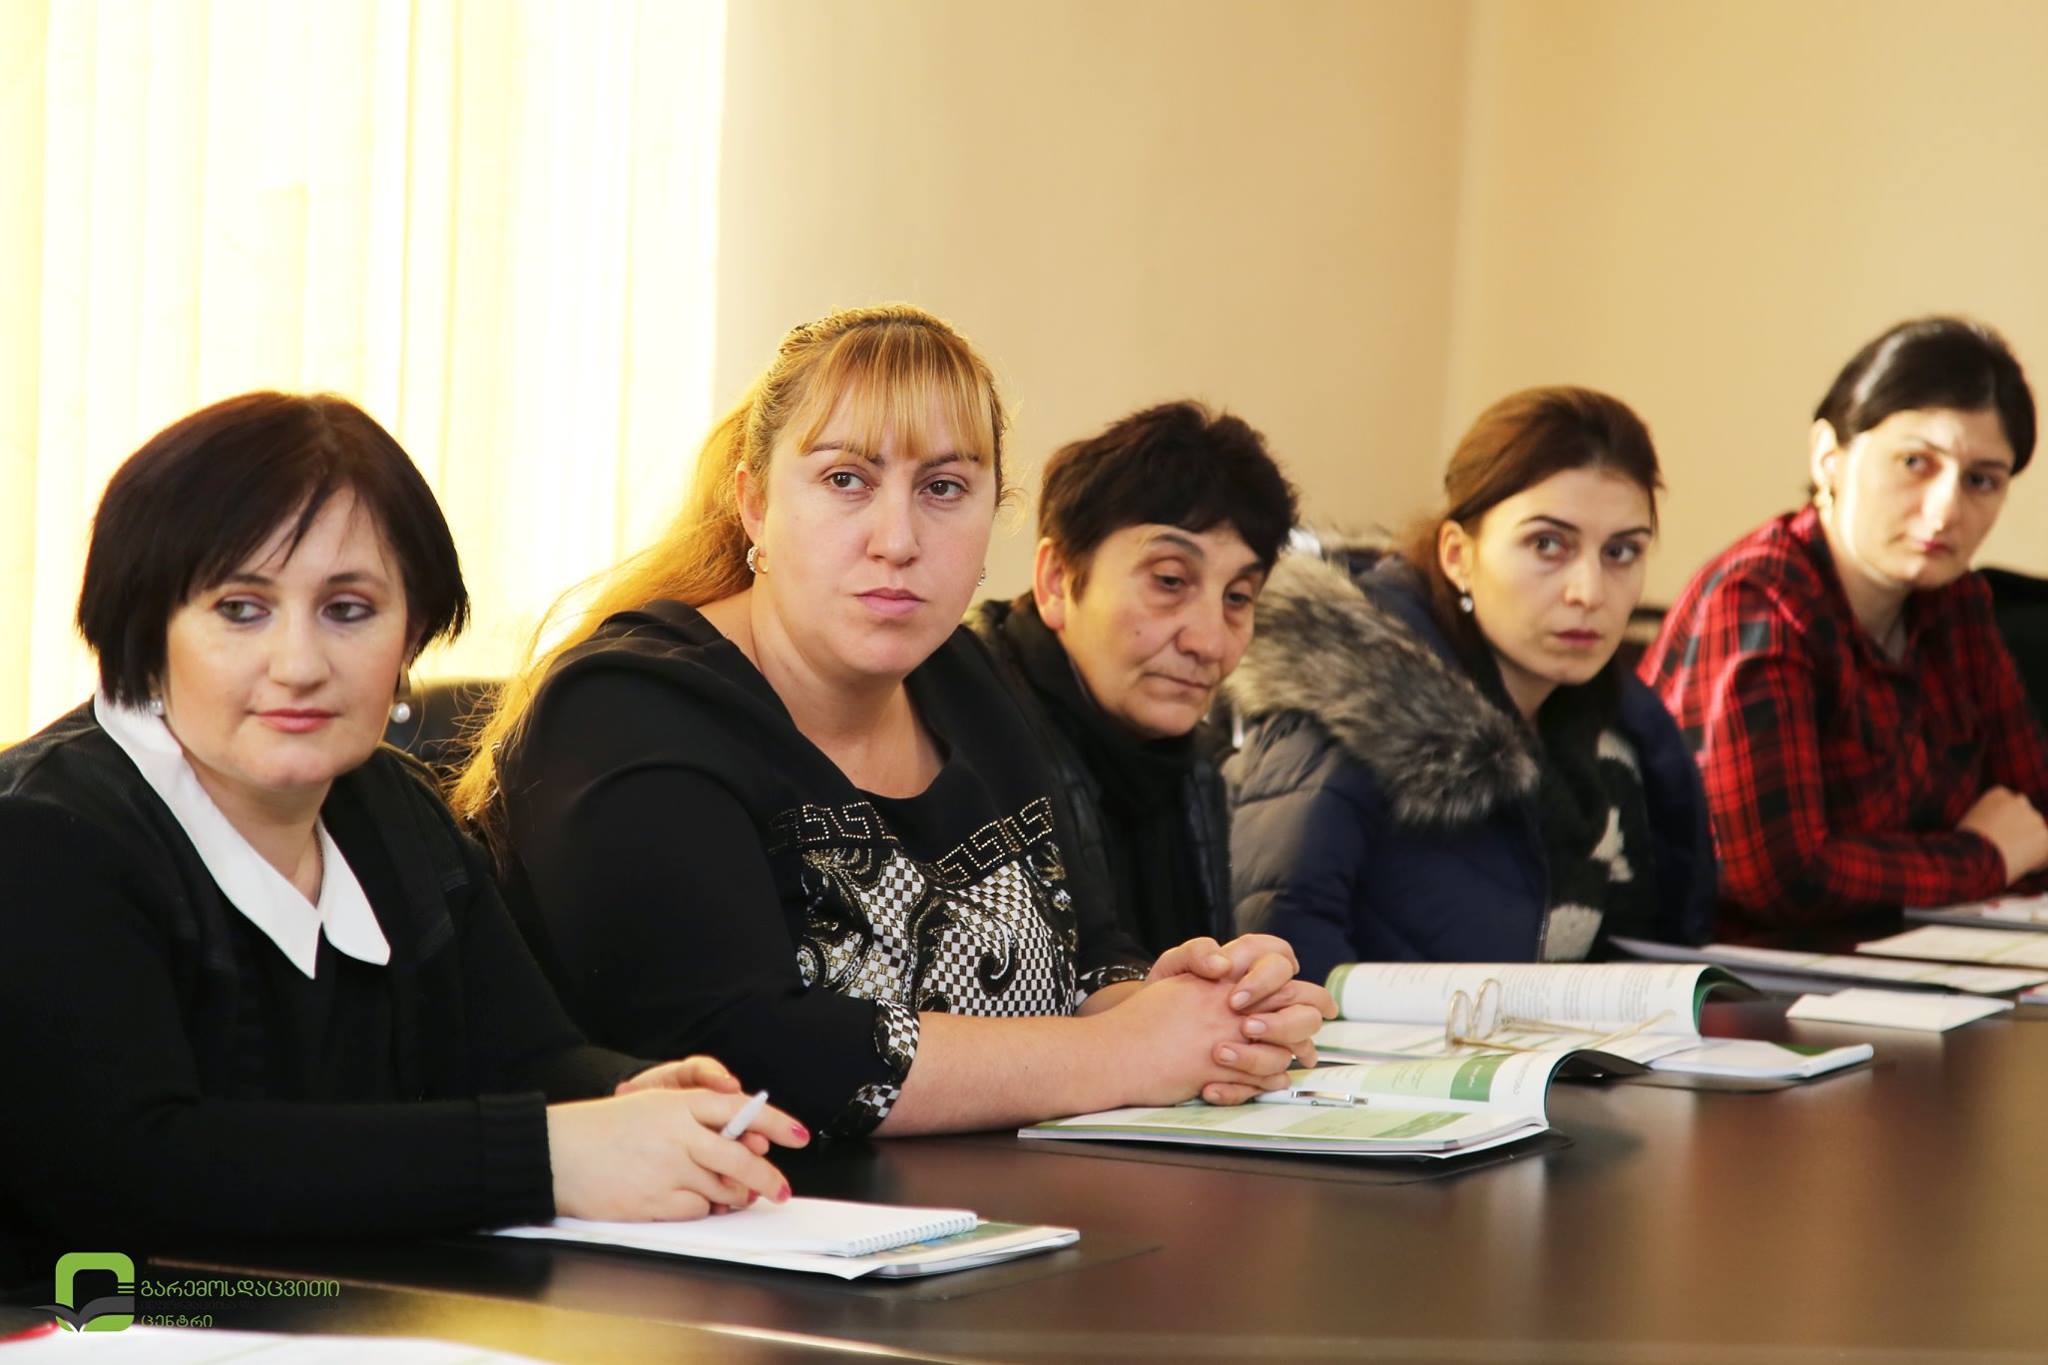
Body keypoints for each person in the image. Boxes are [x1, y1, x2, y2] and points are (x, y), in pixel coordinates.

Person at [455, 305, 1332, 1139]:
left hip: (1007, 1215)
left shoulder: (962, 678)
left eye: (944, 488)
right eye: (847, 479)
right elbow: (740, 1049)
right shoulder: (626, 706)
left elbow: (1086, 952)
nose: (898, 538)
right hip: (740, 1235)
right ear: (755, 504)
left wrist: (1206, 1014)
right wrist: (1129, 1050)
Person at [0, 394, 805, 1282]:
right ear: (147, 627)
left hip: (341, 1316)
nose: (299, 665)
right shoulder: (45, 834)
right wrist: (545, 1154)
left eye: (349, 609)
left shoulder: (390, 806)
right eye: (241, 608)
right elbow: (133, 1169)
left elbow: (521, 1056)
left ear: (412, 630)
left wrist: (619, 1095)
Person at [1225, 387, 1713, 983]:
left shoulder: (1620, 739)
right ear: (1458, 556)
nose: (1589, 591)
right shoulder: (1352, 702)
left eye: (1622, 552)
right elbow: (1280, 949)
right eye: (1547, 544)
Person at [1642, 317, 2048, 941]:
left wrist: (1994, 848)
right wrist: (1982, 855)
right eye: (1915, 462)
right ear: (1828, 457)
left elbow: (2034, 810)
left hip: (1897, 960)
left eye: (1981, 480)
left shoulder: (1956, 601)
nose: (1946, 510)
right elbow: (1779, 880)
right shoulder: (1759, 600)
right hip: (1737, 977)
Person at [967, 401, 1297, 955]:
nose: (1210, 643)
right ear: (1056, 580)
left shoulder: (1206, 770)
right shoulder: (958, 743)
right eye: (1169, 581)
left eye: (1238, 597)